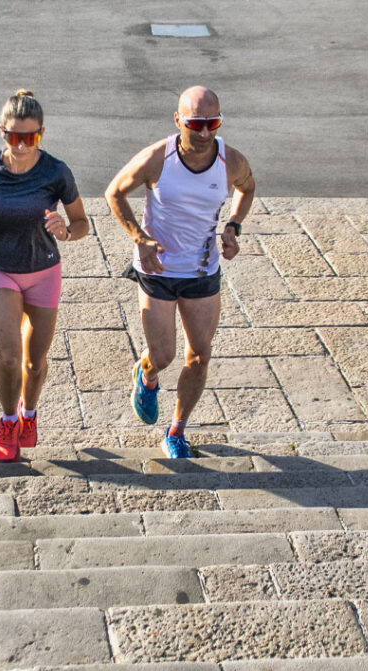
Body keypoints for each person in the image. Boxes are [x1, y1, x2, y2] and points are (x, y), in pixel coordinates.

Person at [105, 86, 255, 459]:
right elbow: (114, 192)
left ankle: (177, 430)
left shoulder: (230, 161)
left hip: (202, 270)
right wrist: (139, 237)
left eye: (213, 123)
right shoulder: (158, 158)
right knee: (164, 354)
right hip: (158, 269)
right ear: (178, 121)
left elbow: (247, 188)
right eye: (195, 124)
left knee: (199, 355)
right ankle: (147, 374)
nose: (204, 133)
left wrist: (233, 226)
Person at [0, 90, 89, 462]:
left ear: (42, 134)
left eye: (30, 137)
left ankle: (29, 413)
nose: (20, 145)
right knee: (8, 358)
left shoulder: (55, 171)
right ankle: (7, 421)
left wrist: (64, 230)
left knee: (36, 363)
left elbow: (83, 223)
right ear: (1, 131)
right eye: (12, 136)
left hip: (43, 271)